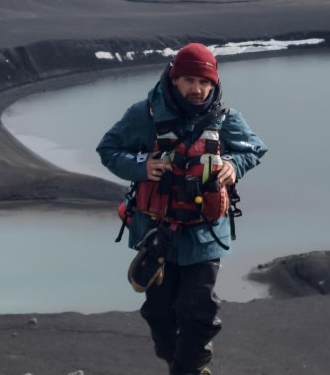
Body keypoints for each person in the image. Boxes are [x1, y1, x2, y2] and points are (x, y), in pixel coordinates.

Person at [96, 42, 267, 375]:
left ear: (214, 84)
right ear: (174, 80)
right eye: (189, 80)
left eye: (205, 82)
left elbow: (255, 149)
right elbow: (109, 149)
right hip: (158, 234)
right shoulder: (144, 115)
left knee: (198, 310)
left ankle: (188, 369)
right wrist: (142, 165)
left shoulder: (226, 119)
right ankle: (180, 361)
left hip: (205, 235)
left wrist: (234, 164)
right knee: (160, 313)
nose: (198, 89)